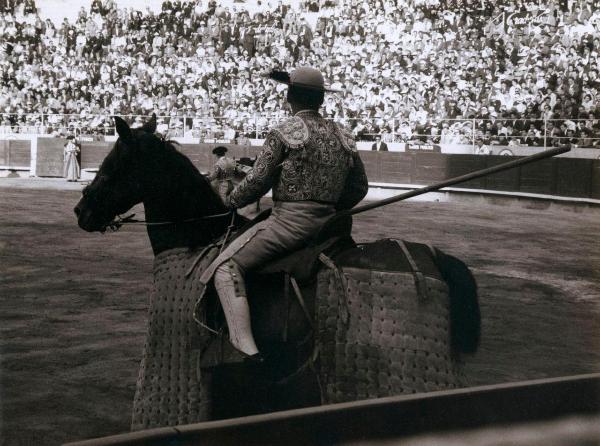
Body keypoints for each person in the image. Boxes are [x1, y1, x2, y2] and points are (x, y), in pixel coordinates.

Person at [201, 67, 369, 361]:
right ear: (321, 100)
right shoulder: (344, 134)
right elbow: (360, 187)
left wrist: (229, 201)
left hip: (289, 224)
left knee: (225, 268)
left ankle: (247, 352)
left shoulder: (285, 131)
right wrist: (330, 208)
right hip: (330, 225)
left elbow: (256, 181)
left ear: (289, 96)